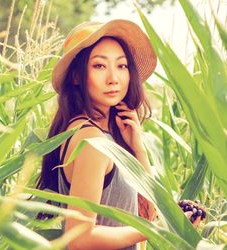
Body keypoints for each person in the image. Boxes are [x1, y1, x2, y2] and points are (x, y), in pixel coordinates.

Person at [37, 19, 200, 250]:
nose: (114, 78)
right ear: (76, 76)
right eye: (99, 66)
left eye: (121, 66)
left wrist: (138, 148)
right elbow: (79, 239)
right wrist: (159, 229)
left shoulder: (98, 137)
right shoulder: (91, 141)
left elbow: (146, 213)